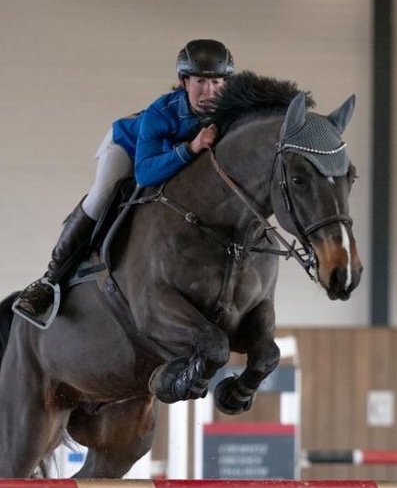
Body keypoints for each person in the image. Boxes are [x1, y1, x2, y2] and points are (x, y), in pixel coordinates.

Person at [14, 39, 235, 326]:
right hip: (128, 148)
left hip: (168, 154)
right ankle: (48, 281)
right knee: (102, 195)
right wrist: (190, 148)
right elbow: (144, 173)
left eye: (217, 82)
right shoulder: (161, 113)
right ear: (184, 81)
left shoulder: (231, 110)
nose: (209, 92)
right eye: (200, 82)